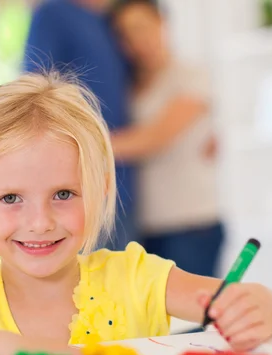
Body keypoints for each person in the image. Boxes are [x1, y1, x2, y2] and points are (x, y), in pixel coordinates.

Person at [0, 73, 272, 355]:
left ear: (101, 189)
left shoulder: (133, 278)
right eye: (11, 198)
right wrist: (17, 351)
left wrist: (258, 308)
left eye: (63, 194)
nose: (40, 222)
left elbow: (238, 300)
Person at [108, 0, 225, 277]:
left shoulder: (190, 76)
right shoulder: (129, 84)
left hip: (192, 224)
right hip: (146, 226)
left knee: (192, 319)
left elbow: (155, 139)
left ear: (162, 22)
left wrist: (84, 146)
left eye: (142, 27)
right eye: (125, 34)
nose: (137, 40)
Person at [22, 0, 136, 250]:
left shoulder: (108, 21)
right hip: (79, 188)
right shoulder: (53, 15)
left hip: (123, 185)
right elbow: (32, 97)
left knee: (123, 283)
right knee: (88, 285)